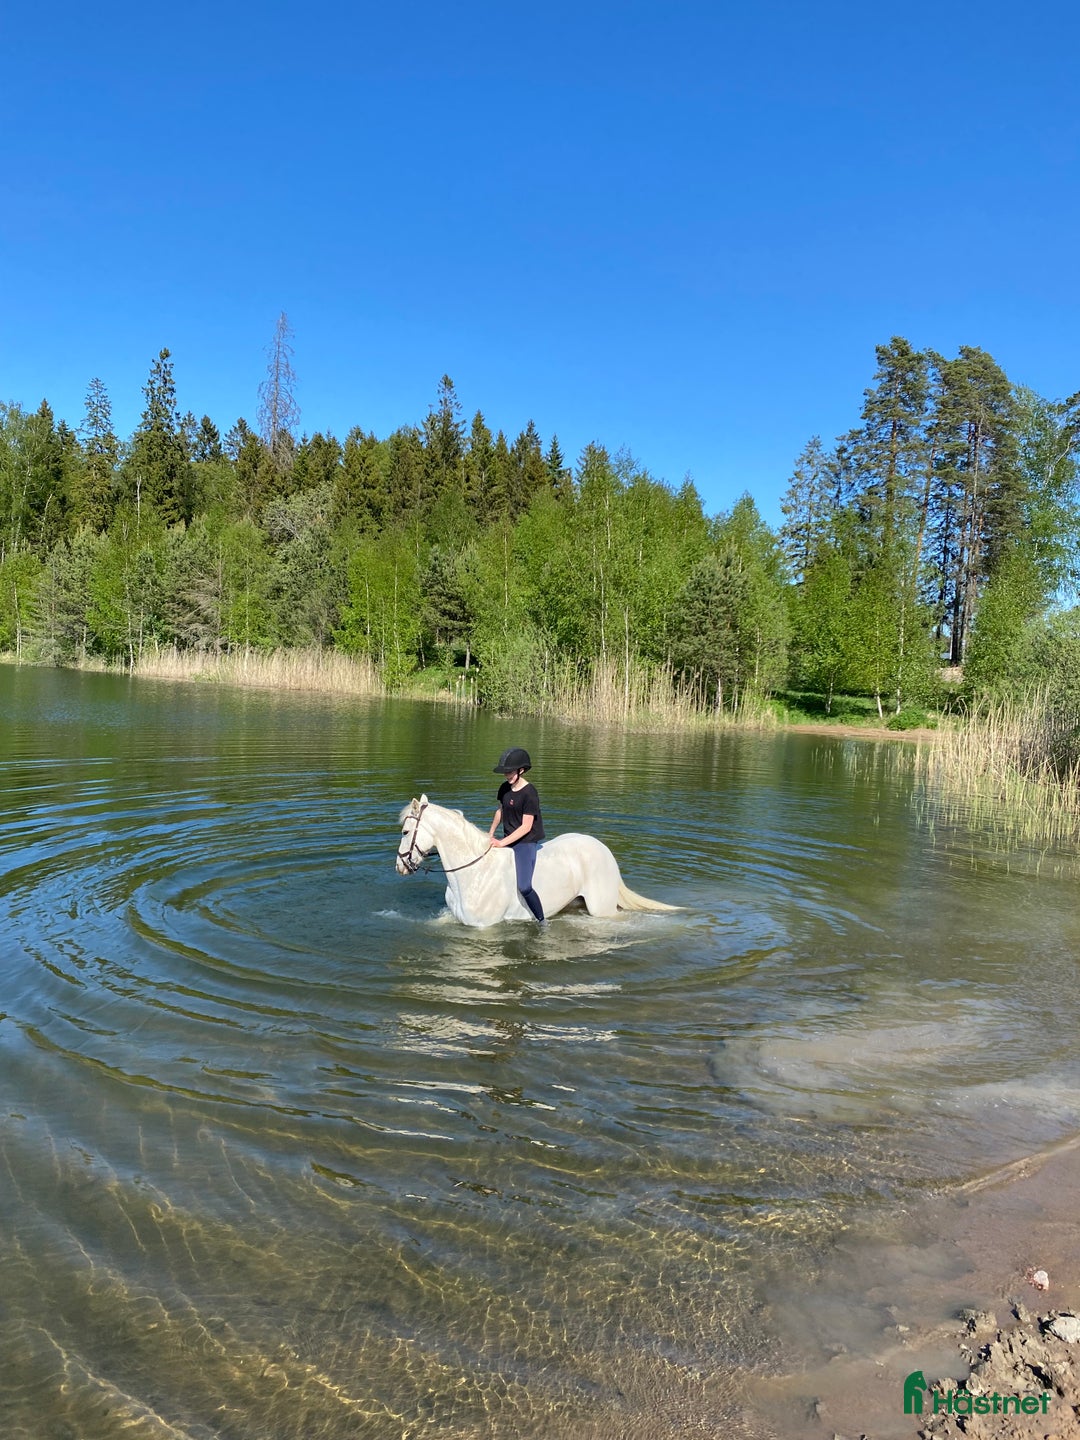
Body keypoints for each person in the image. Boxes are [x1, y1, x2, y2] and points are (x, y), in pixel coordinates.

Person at [488, 747, 546, 923]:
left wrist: (501, 843)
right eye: (505, 772)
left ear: (521, 770)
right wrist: (490, 834)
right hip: (507, 838)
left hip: (525, 842)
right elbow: (501, 811)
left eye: (510, 772)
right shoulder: (505, 788)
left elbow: (526, 827)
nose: (506, 776)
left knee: (524, 886)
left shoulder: (530, 793)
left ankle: (542, 921)